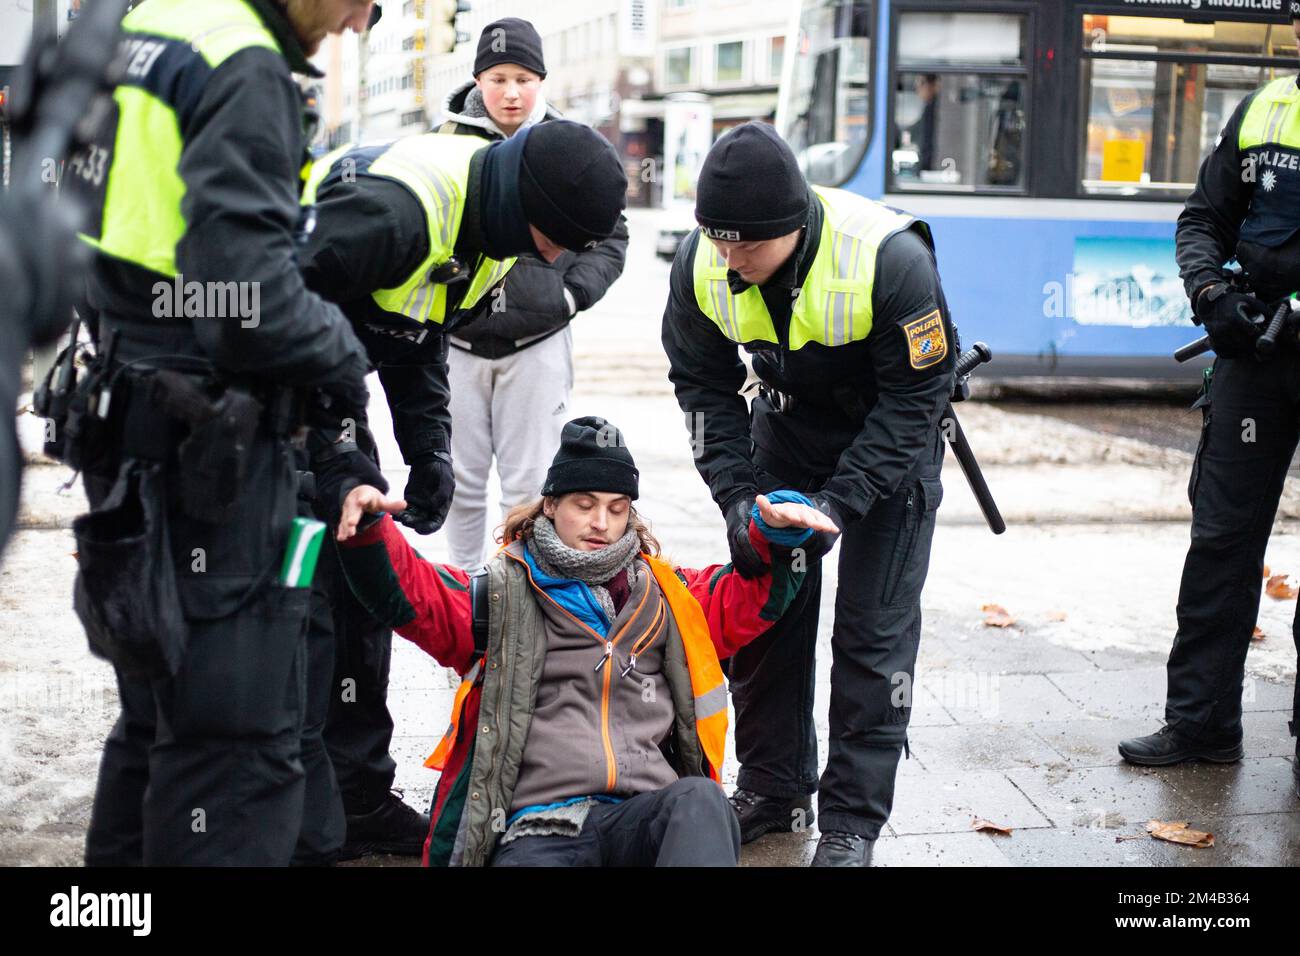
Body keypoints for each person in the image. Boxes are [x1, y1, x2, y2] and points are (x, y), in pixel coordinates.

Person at [65, 0, 376, 866]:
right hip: (212, 456)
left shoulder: (145, 30)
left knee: (157, 718)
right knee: (233, 746)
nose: (359, 23)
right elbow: (241, 301)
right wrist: (342, 353)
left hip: (128, 423)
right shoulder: (241, 62)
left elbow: (97, 248)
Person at [296, 116, 629, 858]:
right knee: (302, 611)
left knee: (357, 585)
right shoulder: (395, 211)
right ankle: (297, 814)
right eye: (557, 238)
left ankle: (355, 799)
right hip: (256, 394)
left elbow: (413, 337)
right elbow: (294, 327)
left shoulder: (491, 229)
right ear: (528, 202)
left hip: (322, 394)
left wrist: (430, 452)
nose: (555, 256)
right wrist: (343, 451)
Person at [320, 415, 837, 866]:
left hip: (643, 819)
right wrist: (369, 523)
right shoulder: (501, 592)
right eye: (584, 504)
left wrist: (776, 530)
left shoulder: (668, 594)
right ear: (550, 506)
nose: (601, 523)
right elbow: (415, 596)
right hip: (541, 829)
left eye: (616, 508)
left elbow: (748, 597)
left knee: (702, 802)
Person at [661, 121, 957, 866]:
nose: (731, 262)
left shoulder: (890, 259)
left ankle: (852, 821)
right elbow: (702, 386)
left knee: (872, 633)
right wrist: (735, 498)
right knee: (768, 612)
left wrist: (839, 504)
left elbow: (916, 400)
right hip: (786, 432)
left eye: (748, 248)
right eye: (719, 243)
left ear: (793, 225)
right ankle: (775, 786)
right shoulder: (702, 262)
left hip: (888, 437)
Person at [1119, 6, 1300, 798]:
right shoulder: (1266, 107)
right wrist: (1210, 291)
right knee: (1222, 540)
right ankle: (1201, 725)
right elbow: (1203, 218)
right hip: (1253, 354)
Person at [435, 17, 629, 570]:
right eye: (497, 78)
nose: (511, 92)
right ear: (477, 81)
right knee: (460, 480)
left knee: (529, 485)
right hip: (460, 342)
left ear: (541, 79)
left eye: (523, 77)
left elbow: (612, 236)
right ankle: (466, 596)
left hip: (537, 339)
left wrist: (568, 297)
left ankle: (518, 595)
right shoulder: (445, 142)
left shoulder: (572, 145)